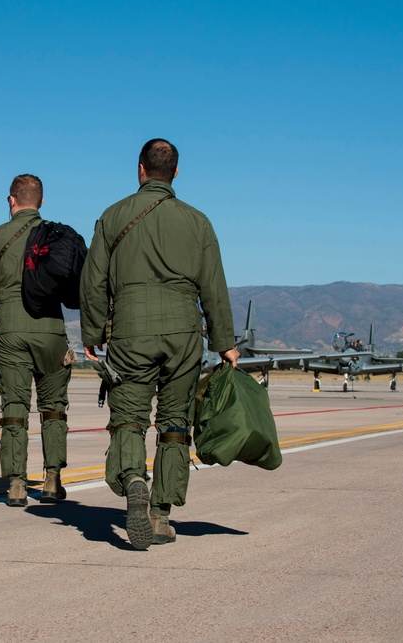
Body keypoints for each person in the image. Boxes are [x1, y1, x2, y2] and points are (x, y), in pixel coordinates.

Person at [80, 138, 239, 549]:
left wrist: (92, 334)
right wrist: (225, 342)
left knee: (129, 417)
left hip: (131, 330)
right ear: (177, 173)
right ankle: (160, 516)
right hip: (185, 333)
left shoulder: (112, 217)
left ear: (140, 169)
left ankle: (134, 479)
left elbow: (93, 282)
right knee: (173, 424)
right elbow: (214, 287)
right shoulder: (198, 222)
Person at [0, 174, 73, 507]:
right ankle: (53, 480)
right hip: (52, 329)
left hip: (10, 329)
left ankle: (16, 483)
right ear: (41, 202)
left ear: (11, 201)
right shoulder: (56, 235)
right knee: (54, 408)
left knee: (14, 408)